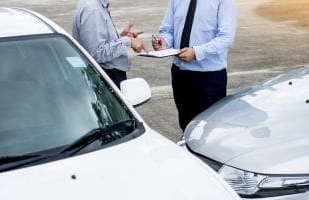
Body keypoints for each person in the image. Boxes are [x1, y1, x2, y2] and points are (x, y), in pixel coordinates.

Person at [152, 0, 237, 131]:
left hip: (209, 78)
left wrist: (197, 52)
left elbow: (226, 38)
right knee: (186, 126)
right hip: (180, 74)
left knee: (211, 129)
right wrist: (164, 42)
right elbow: (168, 30)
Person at [72, 0, 147, 87]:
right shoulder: (93, 9)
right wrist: (128, 41)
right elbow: (97, 52)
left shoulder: (95, 5)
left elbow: (96, 43)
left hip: (105, 76)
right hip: (105, 79)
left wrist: (119, 37)